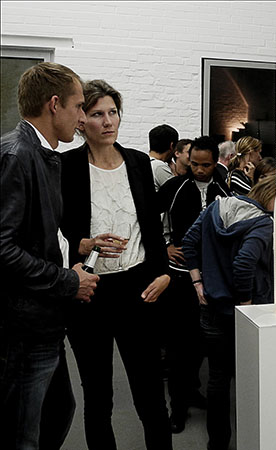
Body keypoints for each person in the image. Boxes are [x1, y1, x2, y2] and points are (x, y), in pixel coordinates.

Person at [60, 79, 172, 450]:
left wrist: (163, 273)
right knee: (98, 397)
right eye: (97, 114)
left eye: (113, 112)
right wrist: (81, 244)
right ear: (81, 121)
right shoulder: (66, 167)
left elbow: (151, 226)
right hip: (90, 292)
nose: (108, 121)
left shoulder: (138, 162)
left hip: (138, 288)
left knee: (151, 395)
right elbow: (55, 230)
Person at [0, 62, 99, 450]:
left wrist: (76, 252)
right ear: (54, 104)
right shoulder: (18, 156)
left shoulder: (39, 154)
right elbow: (3, 248)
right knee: (23, 434)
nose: (82, 118)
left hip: (40, 319)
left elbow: (35, 236)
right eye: (79, 106)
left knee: (56, 413)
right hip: (23, 326)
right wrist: (68, 281)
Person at [182, 175, 276, 450]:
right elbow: (244, 263)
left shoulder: (216, 207)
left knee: (218, 378)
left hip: (211, 306)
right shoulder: (262, 223)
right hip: (247, 312)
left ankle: (218, 443)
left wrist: (197, 282)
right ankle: (255, 440)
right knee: (251, 377)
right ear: (271, 196)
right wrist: (246, 302)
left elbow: (188, 242)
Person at [156, 136, 230, 433]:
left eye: (206, 165)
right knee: (178, 345)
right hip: (180, 275)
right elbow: (146, 217)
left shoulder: (223, 191)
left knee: (202, 343)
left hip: (211, 277)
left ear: (215, 162)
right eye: (195, 164)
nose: (199, 170)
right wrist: (164, 247)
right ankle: (177, 406)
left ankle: (192, 391)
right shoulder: (175, 187)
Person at [149, 124, 179, 191]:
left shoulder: (145, 163)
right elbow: (178, 192)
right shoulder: (159, 166)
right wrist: (175, 173)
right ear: (171, 145)